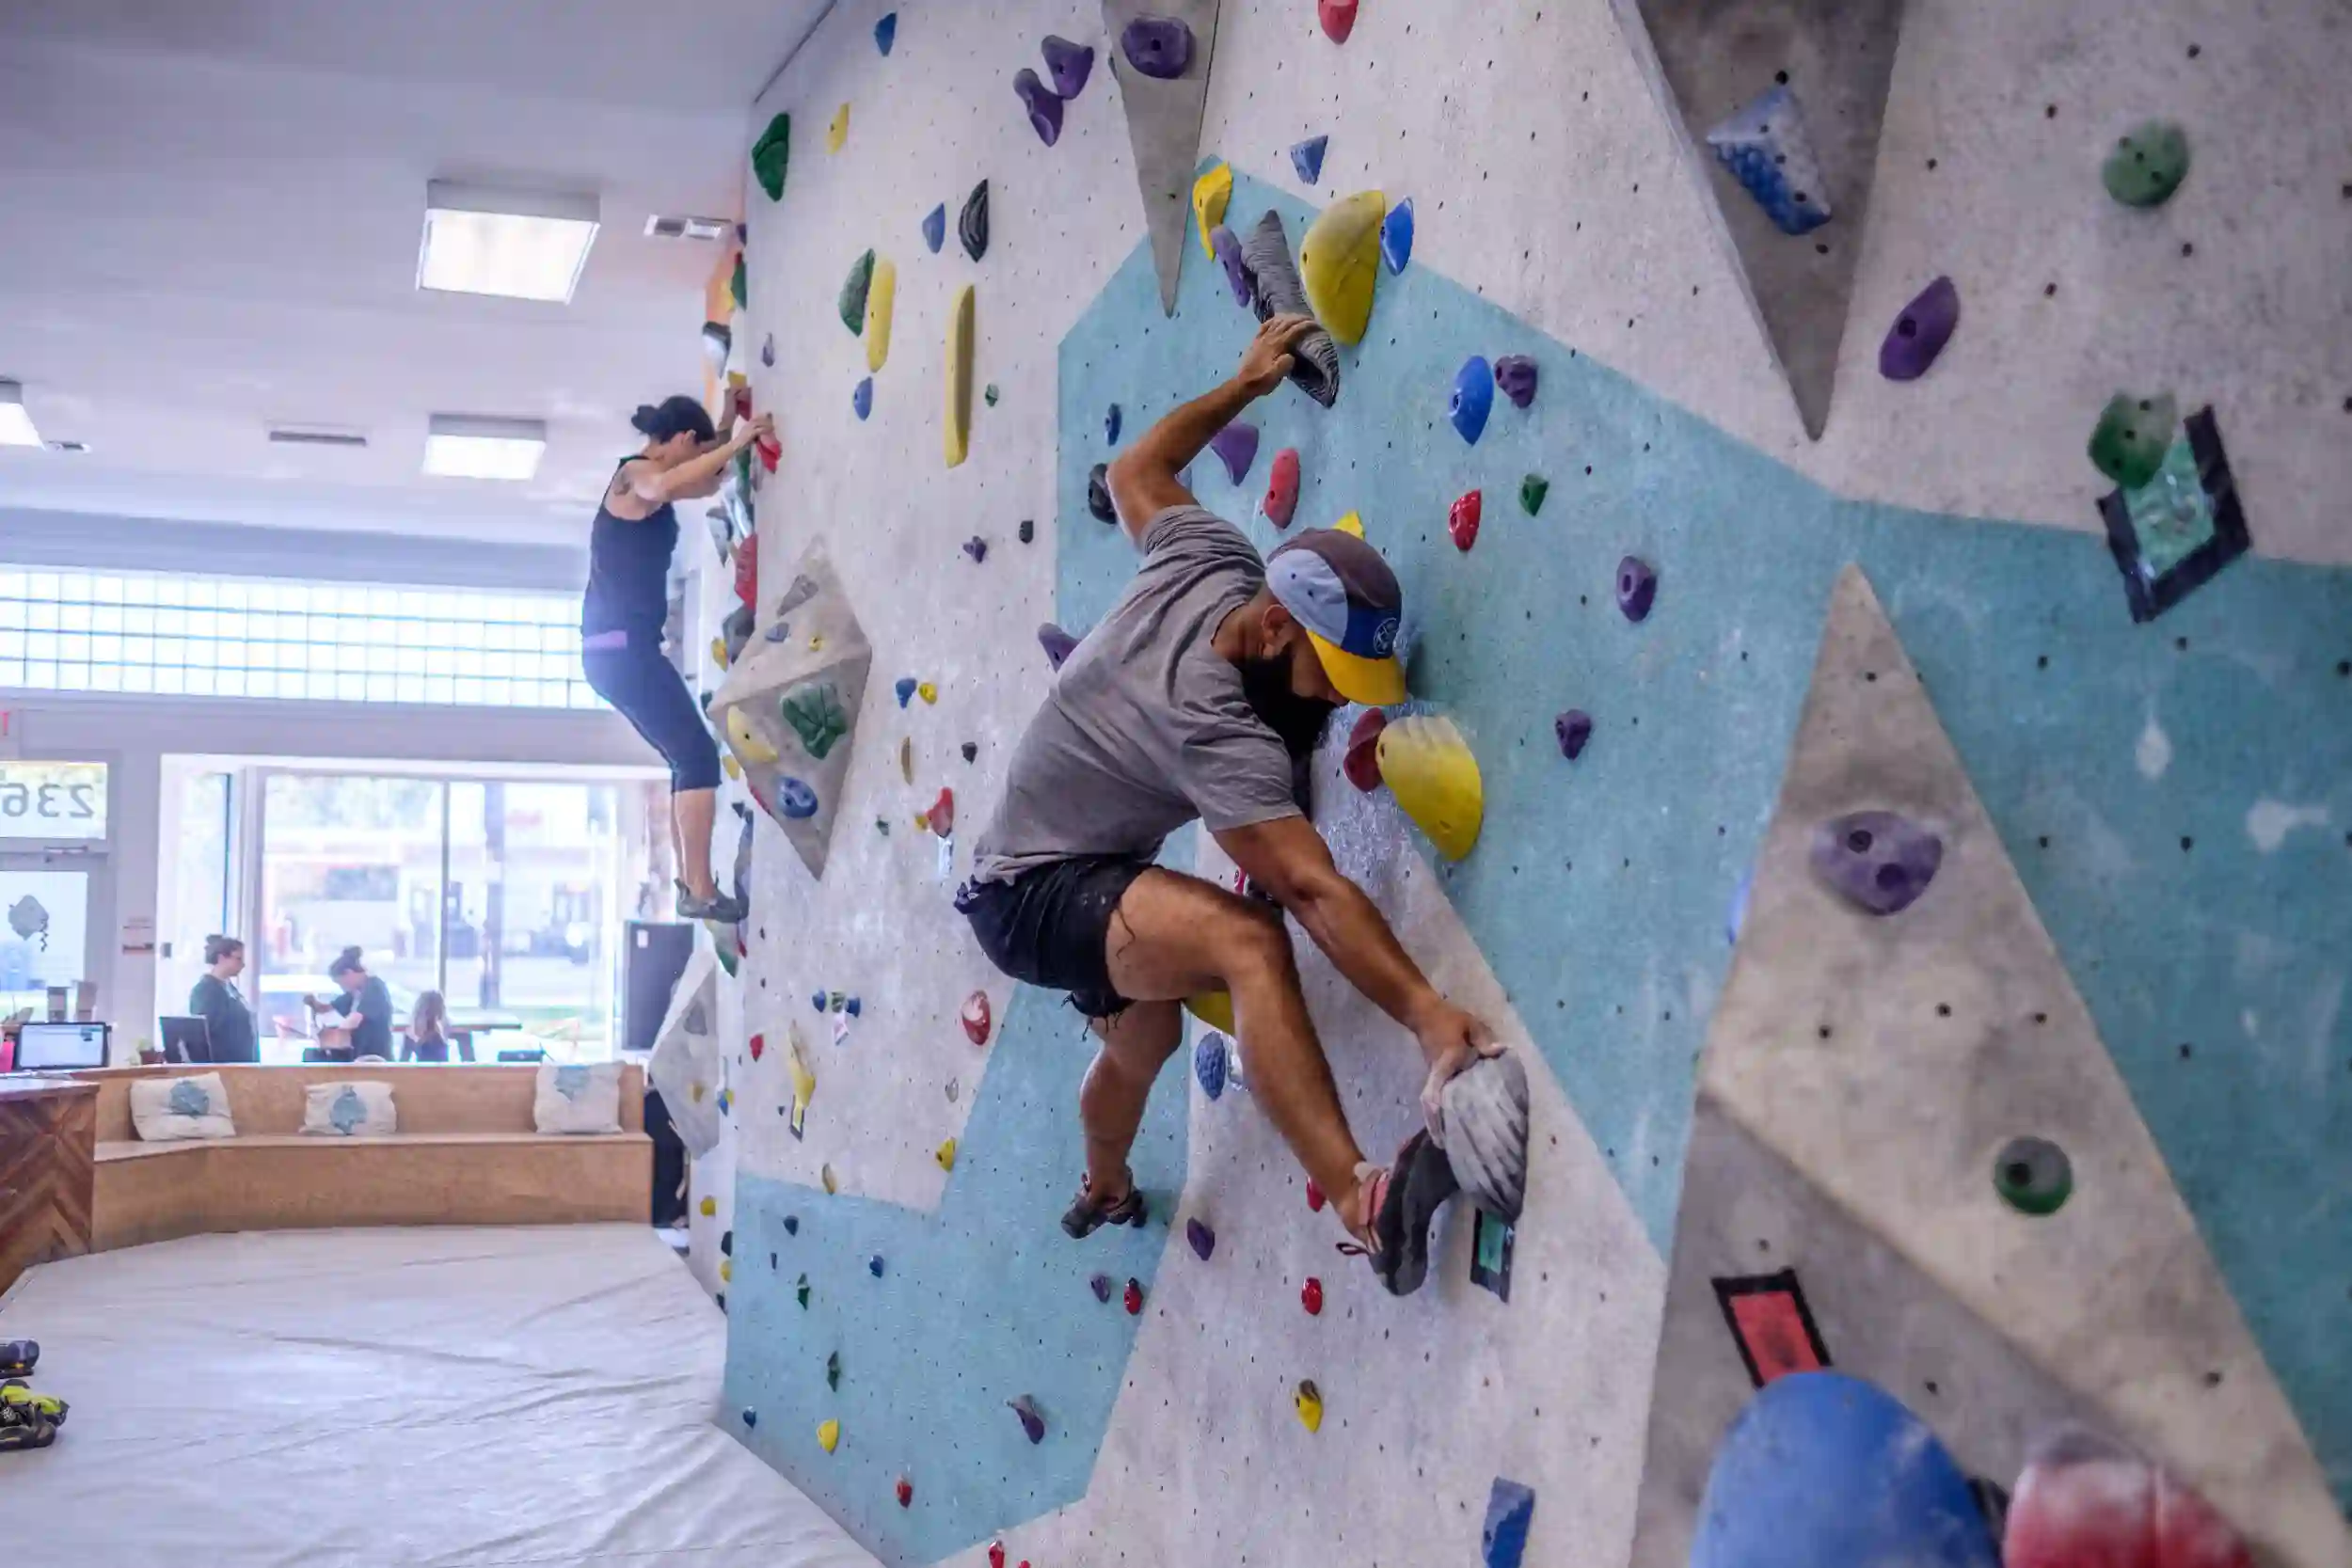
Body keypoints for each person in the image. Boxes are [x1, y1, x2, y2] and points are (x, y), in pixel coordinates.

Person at [958, 315, 1502, 1298]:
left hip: (1061, 851)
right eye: (1328, 672)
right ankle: (1363, 1202)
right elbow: (1312, 890)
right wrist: (1425, 1012)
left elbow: (1134, 471)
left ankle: (1107, 1183)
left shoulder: (1210, 553)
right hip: (1032, 896)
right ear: (1272, 623)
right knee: (1249, 940)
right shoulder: (1214, 727)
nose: (1341, 696)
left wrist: (1246, 382)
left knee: (1148, 1039)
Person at [581, 394, 775, 923]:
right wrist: (735, 441)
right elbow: (668, 482)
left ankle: (695, 886)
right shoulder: (634, 477)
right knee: (696, 758)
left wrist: (729, 427)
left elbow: (706, 479)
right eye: (697, 443)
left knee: (685, 759)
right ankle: (699, 890)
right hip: (619, 651)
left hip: (621, 652)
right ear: (680, 440)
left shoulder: (657, 478)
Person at [305, 946, 392, 1063]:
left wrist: (331, 1035)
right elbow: (327, 1008)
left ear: (349, 973)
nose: (342, 987)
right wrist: (314, 1004)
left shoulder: (374, 988)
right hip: (358, 1055)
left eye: (341, 982)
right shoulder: (354, 993)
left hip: (375, 1056)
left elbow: (354, 1020)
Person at [187, 935, 258, 1064]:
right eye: (238, 959)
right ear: (221, 958)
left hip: (242, 1066)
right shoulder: (205, 991)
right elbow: (204, 1036)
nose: (242, 964)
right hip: (222, 1068)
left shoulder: (230, 989)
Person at [402, 990, 453, 1064]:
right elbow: (402, 1064)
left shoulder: (444, 1032)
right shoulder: (412, 1035)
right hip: (426, 1073)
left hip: (441, 1073)